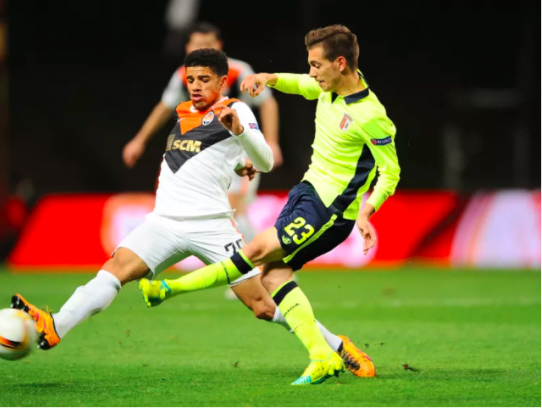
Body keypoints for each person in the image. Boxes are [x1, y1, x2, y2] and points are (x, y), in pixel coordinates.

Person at [9, 49, 354, 378]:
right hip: (163, 223)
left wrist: (239, 134)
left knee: (263, 306)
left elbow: (264, 160)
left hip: (213, 228)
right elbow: (211, 159)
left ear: (222, 82)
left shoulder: (236, 110)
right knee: (113, 271)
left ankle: (337, 347)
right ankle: (55, 325)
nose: (196, 86)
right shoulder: (183, 112)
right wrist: (237, 162)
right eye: (191, 79)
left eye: (204, 79)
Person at [139, 24, 398, 385]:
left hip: (331, 211)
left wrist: (368, 212)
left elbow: (391, 170)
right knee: (273, 276)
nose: (311, 72)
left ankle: (167, 289)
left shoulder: (370, 114)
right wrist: (271, 77)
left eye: (316, 65)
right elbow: (308, 87)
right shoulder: (332, 85)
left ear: (340, 63)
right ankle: (328, 352)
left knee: (256, 249)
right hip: (306, 193)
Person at [122, 22, 282, 246]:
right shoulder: (183, 75)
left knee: (233, 213)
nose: (201, 50)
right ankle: (258, 261)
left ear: (219, 46)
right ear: (188, 47)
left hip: (237, 153)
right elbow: (164, 107)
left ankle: (268, 262)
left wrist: (272, 142)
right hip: (204, 156)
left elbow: (267, 103)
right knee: (210, 216)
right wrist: (139, 140)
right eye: (197, 45)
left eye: (207, 45)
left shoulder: (238, 70)